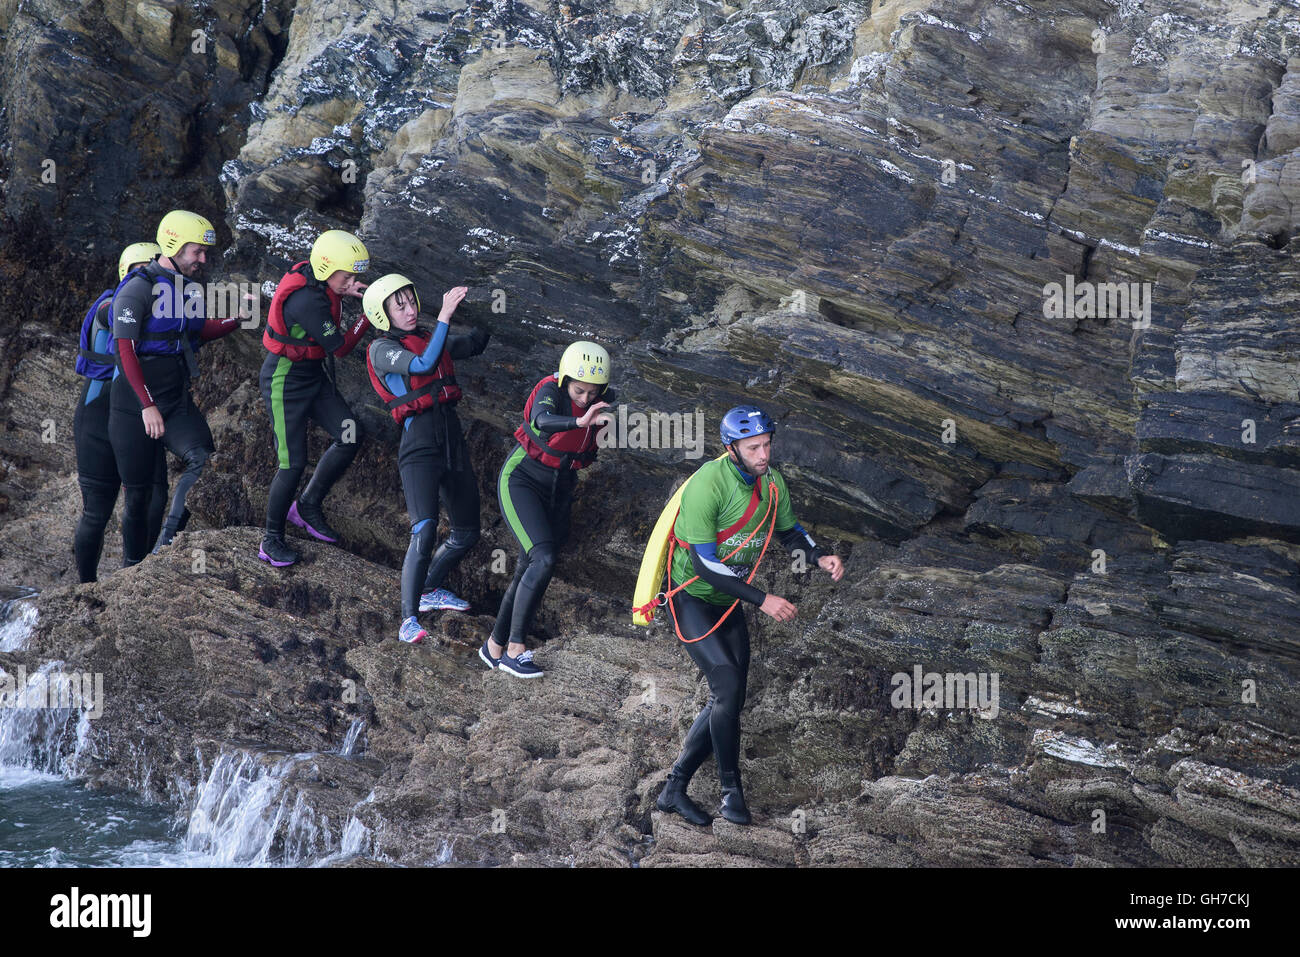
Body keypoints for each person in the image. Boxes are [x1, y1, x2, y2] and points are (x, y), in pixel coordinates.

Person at [655, 407, 844, 826]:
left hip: (728, 602)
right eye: (754, 447)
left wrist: (818, 556)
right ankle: (731, 793)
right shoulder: (708, 484)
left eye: (767, 444)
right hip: (690, 598)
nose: (764, 454)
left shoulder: (772, 485)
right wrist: (762, 599)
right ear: (732, 449)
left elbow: (791, 532)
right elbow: (705, 565)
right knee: (725, 687)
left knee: (731, 697)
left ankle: (673, 790)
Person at [362, 274, 490, 643]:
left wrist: (495, 308)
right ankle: (408, 620)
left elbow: (472, 345)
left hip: (452, 440)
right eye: (398, 305)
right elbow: (420, 365)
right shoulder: (381, 349)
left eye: (410, 300)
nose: (409, 309)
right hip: (418, 445)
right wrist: (447, 314)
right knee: (425, 528)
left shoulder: (427, 337)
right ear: (382, 315)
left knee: (467, 532)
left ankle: (431, 590)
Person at [107, 211, 240, 566]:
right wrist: (146, 405)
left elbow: (196, 332)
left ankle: (165, 546)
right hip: (133, 404)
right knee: (137, 498)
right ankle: (130, 570)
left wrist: (236, 320)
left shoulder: (188, 289)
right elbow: (125, 350)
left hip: (175, 399)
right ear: (174, 245)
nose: (203, 259)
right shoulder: (138, 288)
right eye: (197, 251)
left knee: (203, 458)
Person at [484, 342, 616, 677]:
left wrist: (602, 428)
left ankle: (493, 646)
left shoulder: (601, 407)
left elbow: (592, 448)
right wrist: (580, 420)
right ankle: (516, 649)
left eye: (592, 393)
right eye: (578, 390)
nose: (585, 398)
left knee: (529, 566)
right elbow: (542, 420)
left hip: (559, 489)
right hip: (522, 480)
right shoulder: (550, 391)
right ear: (566, 380)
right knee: (543, 558)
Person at [258, 230, 371, 567]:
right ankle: (270, 540)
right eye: (347, 276)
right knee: (292, 464)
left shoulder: (321, 282)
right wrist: (368, 313)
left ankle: (306, 506)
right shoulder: (306, 299)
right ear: (325, 267)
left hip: (311, 376)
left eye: (355, 276)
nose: (351, 281)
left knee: (350, 433)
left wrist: (349, 291)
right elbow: (341, 347)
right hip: (284, 381)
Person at [72, 242, 170, 581]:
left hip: (131, 413)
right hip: (105, 417)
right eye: (136, 272)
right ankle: (85, 590)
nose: (142, 280)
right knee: (98, 513)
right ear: (125, 274)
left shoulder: (167, 308)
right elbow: (116, 312)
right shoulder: (112, 305)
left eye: (149, 271)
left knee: (148, 497)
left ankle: (134, 578)